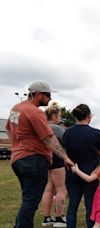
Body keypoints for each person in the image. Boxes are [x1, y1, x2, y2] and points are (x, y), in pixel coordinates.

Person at [5, 81, 73, 228]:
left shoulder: (16, 109)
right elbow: (49, 138)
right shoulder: (36, 112)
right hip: (34, 160)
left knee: (28, 199)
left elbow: (9, 130)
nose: (50, 98)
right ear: (38, 94)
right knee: (30, 201)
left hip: (17, 160)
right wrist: (65, 157)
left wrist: (17, 146)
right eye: (48, 95)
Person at [63, 104, 100, 228]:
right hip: (91, 174)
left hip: (72, 174)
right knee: (90, 207)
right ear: (88, 116)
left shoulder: (67, 133)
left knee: (72, 206)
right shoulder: (96, 133)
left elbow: (65, 152)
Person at [41, 102, 68, 227]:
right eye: (59, 115)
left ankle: (46, 218)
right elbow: (66, 143)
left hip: (45, 159)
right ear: (54, 115)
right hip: (57, 160)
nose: (60, 117)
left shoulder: (42, 126)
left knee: (48, 188)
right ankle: (59, 218)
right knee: (61, 189)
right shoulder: (58, 129)